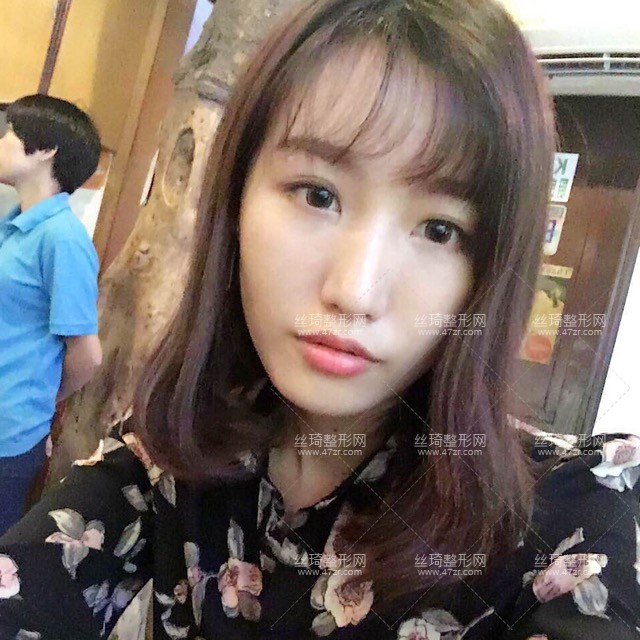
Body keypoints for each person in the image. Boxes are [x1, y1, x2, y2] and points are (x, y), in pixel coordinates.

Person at [1, 1, 639, 638]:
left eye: (440, 230)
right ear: (235, 200)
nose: (355, 292)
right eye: (318, 194)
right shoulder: (176, 454)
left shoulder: (576, 514)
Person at [0, 95, 103, 535]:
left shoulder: (63, 239)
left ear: (44, 149)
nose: (2, 140)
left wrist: (39, 403)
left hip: (9, 436)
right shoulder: (15, 224)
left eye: (9, 132)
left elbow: (88, 355)